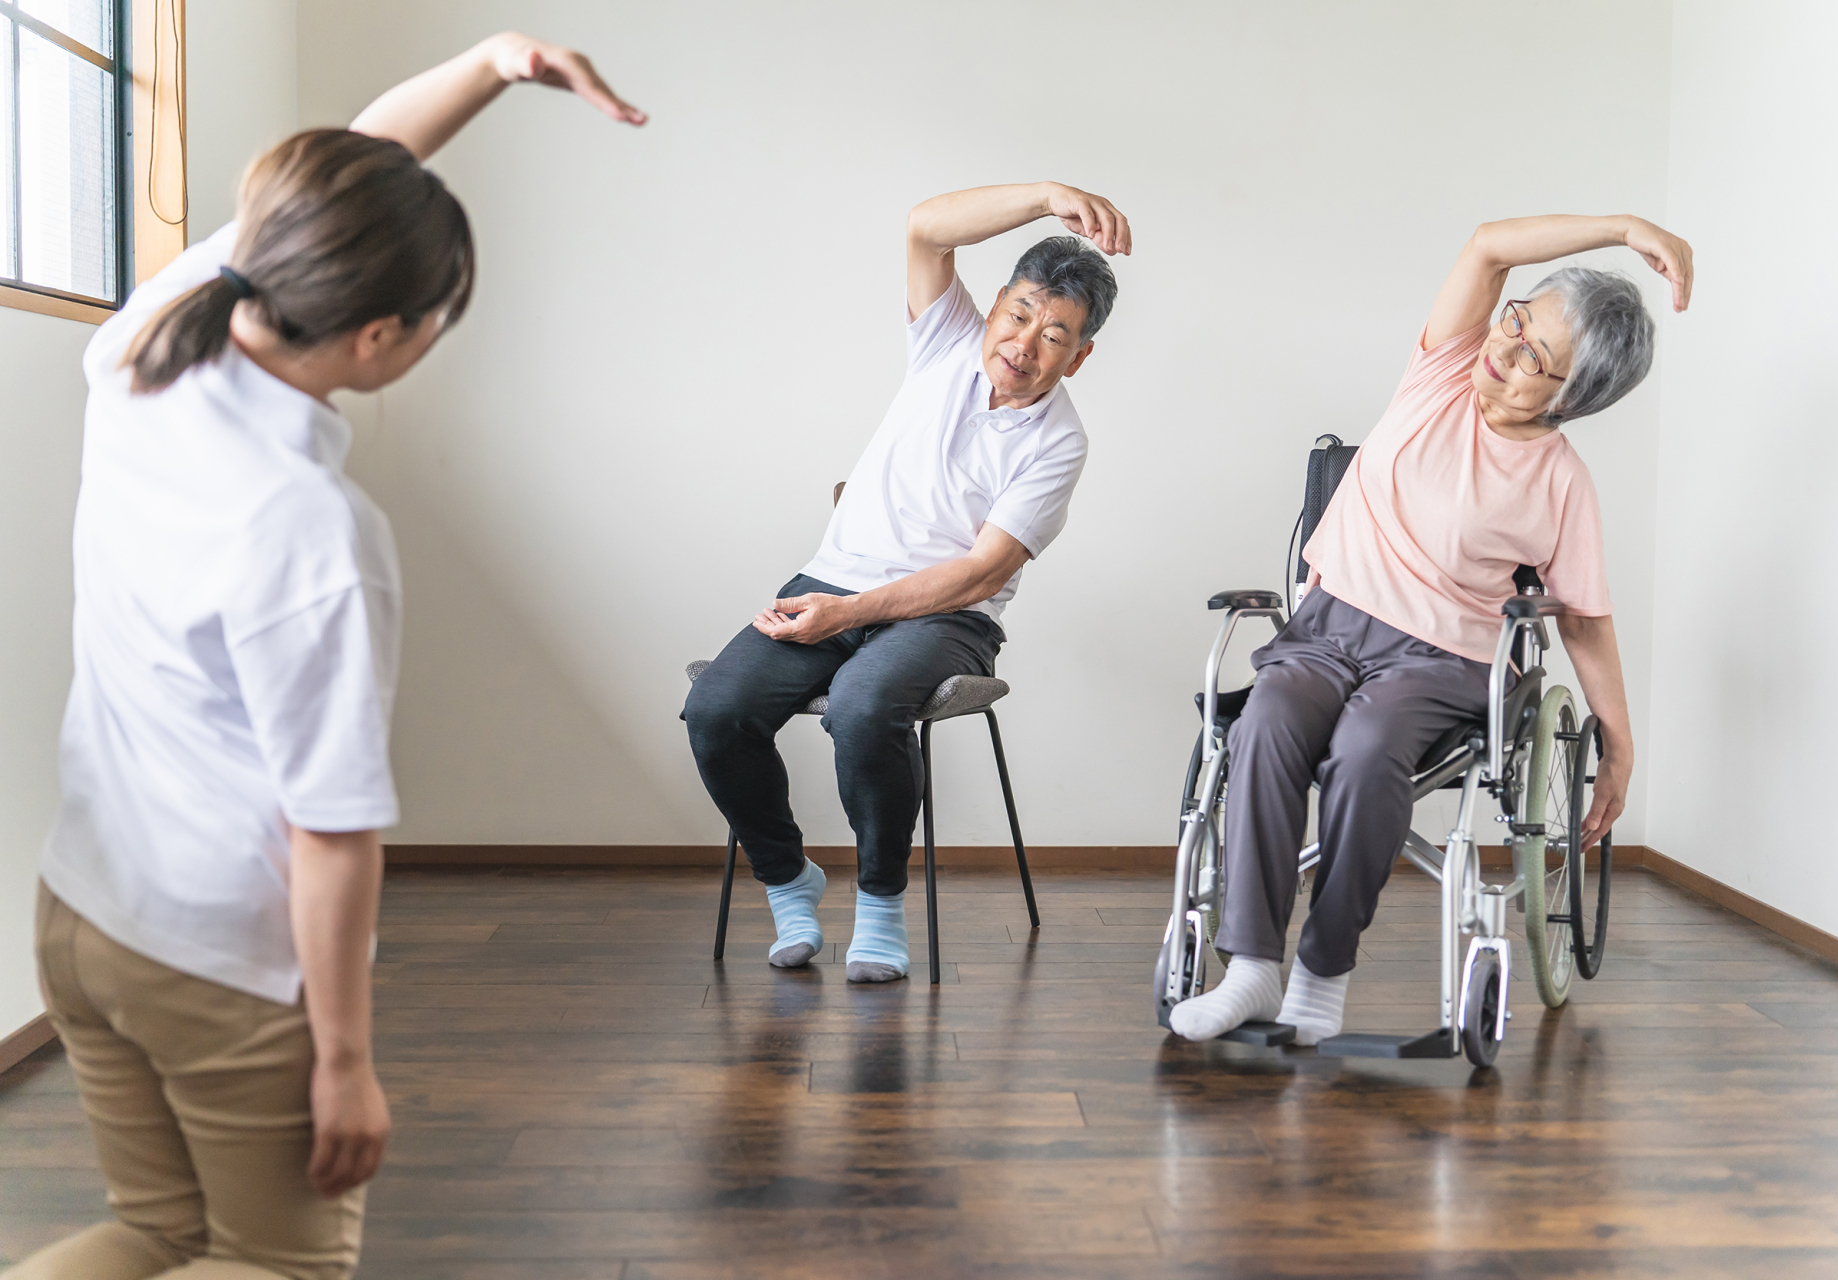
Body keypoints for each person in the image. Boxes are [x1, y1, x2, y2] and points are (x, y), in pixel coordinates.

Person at [8, 34, 643, 1280]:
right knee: (279, 1260)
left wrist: (491, 65)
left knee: (155, 1234)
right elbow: (330, 828)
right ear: (381, 339)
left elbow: (353, 170)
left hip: (80, 905)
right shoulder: (312, 531)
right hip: (213, 954)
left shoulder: (150, 334)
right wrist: (345, 1060)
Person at [1169, 214, 1693, 1045]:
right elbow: (1488, 245)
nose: (1507, 349)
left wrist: (1621, 745)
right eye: (1517, 321)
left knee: (1370, 750)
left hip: (1443, 661)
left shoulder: (1562, 483)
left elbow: (1585, 621)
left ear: (1570, 400)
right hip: (1329, 626)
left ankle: (1321, 974)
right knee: (1266, 722)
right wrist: (1624, 228)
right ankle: (1251, 970)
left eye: (1535, 360)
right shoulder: (1442, 370)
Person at [683, 183, 1129, 983]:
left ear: (1081, 356)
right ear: (992, 307)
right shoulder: (949, 340)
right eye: (1020, 314)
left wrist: (846, 615)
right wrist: (1045, 195)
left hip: (948, 618)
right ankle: (789, 882)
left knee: (861, 706)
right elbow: (926, 228)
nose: (1025, 343)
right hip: (830, 581)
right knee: (717, 708)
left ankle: (881, 903)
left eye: (1055, 334)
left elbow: (981, 571)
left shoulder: (1059, 443)